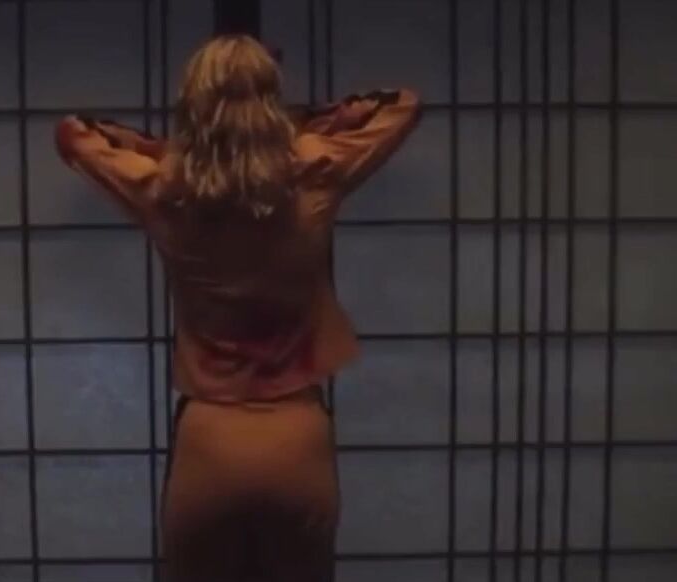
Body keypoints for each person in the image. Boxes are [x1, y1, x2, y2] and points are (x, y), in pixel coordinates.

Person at [55, 33, 421, 582]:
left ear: (192, 102)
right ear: (270, 98)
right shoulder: (314, 166)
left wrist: (164, 149)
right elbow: (404, 105)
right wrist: (307, 122)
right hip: (297, 436)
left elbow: (73, 134)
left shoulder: (164, 185)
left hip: (209, 439)